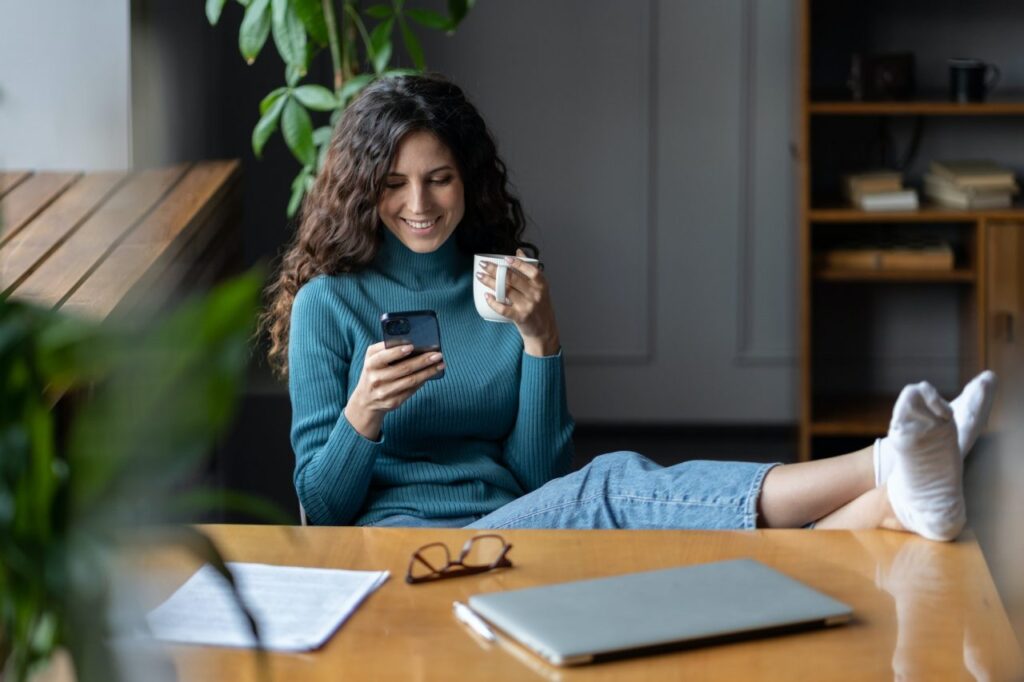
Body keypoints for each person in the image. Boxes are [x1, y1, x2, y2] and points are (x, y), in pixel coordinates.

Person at [262, 74, 997, 542]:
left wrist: (543, 343)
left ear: (468, 180)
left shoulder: (501, 286)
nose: (419, 205)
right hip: (410, 554)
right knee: (614, 483)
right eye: (393, 183)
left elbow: (539, 479)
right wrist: (363, 415)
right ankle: (885, 462)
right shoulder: (332, 306)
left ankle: (902, 501)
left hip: (514, 530)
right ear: (363, 190)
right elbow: (322, 514)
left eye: (440, 179)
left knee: (634, 509)